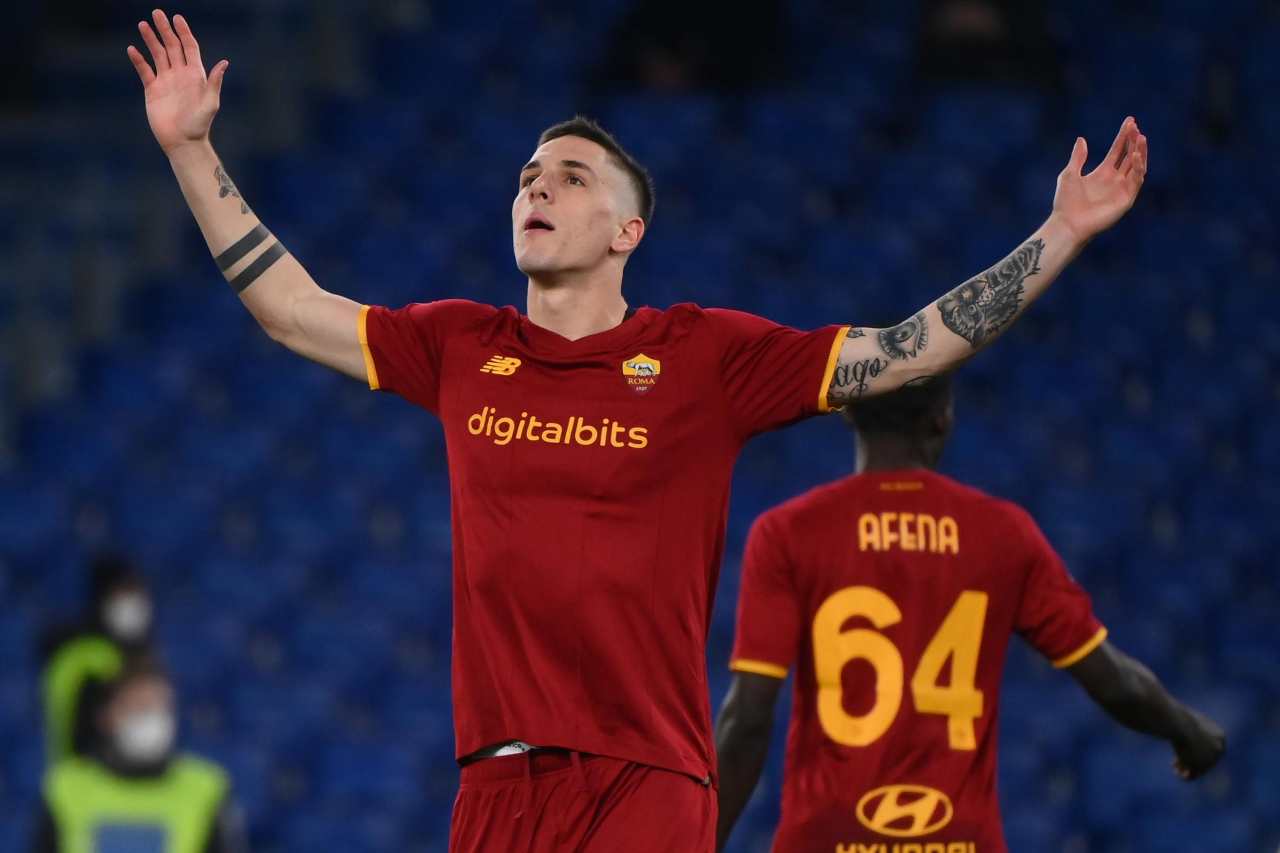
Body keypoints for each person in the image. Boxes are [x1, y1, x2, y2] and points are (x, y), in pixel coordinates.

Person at [125, 9, 1147, 850]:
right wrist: (192, 149)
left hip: (646, 783)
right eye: (527, 175)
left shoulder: (705, 356)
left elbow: (906, 351)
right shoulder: (460, 344)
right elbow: (291, 309)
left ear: (628, 231)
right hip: (494, 786)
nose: (536, 185)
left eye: (569, 176)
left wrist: (1059, 233)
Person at [714, 377, 1226, 852]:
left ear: (847, 412)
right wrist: (1188, 731)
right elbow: (1114, 682)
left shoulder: (788, 534)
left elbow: (748, 718)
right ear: (942, 419)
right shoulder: (1003, 534)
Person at [33, 663, 248, 853]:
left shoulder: (205, 787)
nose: (151, 717)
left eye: (160, 706)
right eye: (138, 705)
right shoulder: (67, 787)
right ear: (106, 716)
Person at [40, 554, 156, 764]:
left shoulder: (136, 650)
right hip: (88, 772)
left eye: (136, 593)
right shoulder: (85, 657)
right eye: (121, 594)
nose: (132, 603)